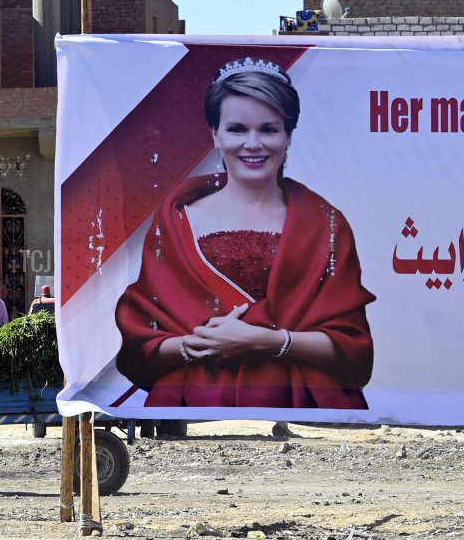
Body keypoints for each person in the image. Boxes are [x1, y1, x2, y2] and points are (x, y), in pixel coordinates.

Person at [114, 57, 376, 409]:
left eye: (268, 130)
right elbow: (141, 338)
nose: (253, 143)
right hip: (195, 404)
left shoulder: (327, 224)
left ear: (288, 135)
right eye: (237, 129)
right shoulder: (175, 224)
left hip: (304, 407)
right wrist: (193, 345)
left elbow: (353, 349)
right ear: (215, 134)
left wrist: (263, 340)